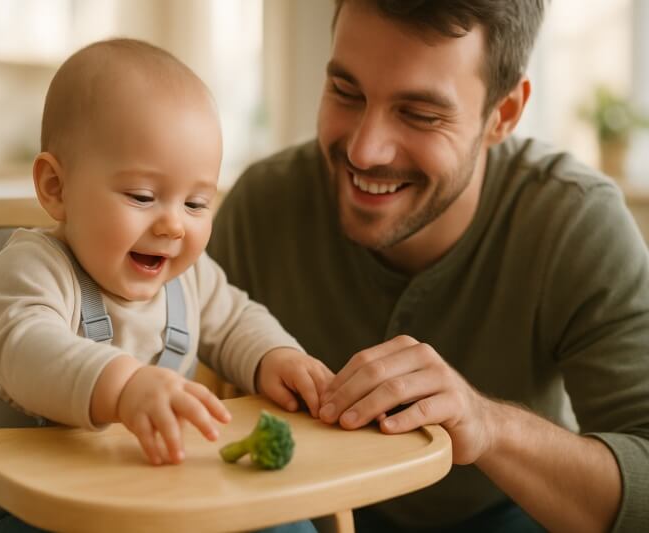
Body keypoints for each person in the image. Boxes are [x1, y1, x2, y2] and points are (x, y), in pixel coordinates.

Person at [208, 1, 649, 532]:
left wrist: (488, 425)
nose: (365, 151)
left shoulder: (573, 222)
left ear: (504, 113)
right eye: (346, 92)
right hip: (311, 512)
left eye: (420, 114)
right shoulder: (262, 206)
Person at [0, 38, 330, 533]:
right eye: (143, 196)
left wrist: (274, 357)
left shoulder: (188, 276)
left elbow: (235, 320)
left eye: (196, 204)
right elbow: (27, 348)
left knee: (281, 521)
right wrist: (123, 386)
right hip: (10, 500)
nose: (173, 225)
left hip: (135, 493)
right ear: (56, 188)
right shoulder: (33, 268)